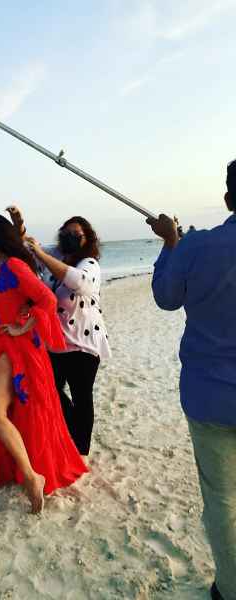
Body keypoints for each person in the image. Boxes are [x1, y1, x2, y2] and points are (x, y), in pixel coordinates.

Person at [146, 159, 236, 600]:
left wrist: (171, 244)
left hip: (210, 395)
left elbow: (166, 296)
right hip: (210, 393)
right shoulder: (197, 244)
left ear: (228, 198)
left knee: (222, 500)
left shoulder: (198, 245)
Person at [0, 214, 88, 513]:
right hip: (0, 347)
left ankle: (31, 475)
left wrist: (22, 327)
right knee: (12, 412)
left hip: (16, 348)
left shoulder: (14, 265)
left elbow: (47, 300)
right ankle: (25, 471)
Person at [7, 207, 111, 455]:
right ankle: (66, 438)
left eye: (76, 234)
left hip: (83, 344)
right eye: (66, 233)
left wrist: (42, 255)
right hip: (54, 342)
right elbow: (26, 248)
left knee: (81, 397)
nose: (70, 237)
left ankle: (81, 450)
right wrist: (19, 224)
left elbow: (77, 282)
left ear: (87, 239)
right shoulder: (55, 255)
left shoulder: (90, 264)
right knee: (49, 392)